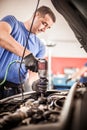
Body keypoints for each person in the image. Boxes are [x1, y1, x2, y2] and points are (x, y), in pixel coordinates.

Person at [0, 6, 56, 99]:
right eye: (44, 23)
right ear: (36, 15)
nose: (44, 29)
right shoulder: (12, 22)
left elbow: (32, 74)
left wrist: (35, 83)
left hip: (16, 93)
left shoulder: (40, 46)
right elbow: (1, 35)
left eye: (48, 27)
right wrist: (27, 55)